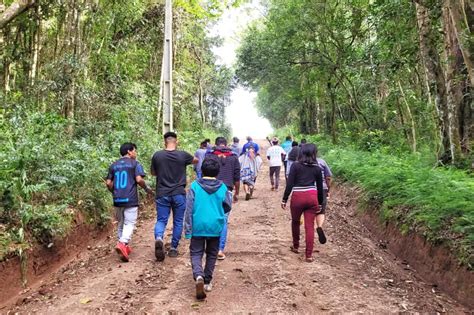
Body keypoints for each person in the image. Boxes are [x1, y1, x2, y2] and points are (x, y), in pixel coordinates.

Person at [184, 157, 233, 301]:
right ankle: (207, 282)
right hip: (215, 225)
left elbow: (189, 208)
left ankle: (198, 275)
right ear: (217, 172)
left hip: (198, 225)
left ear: (201, 170)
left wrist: (187, 230)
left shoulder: (194, 186)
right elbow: (227, 206)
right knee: (212, 253)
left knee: (196, 252)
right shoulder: (223, 187)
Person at [151, 132, 198, 261]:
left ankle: (159, 237)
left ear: (164, 142)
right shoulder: (182, 155)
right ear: (176, 141)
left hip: (162, 193)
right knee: (178, 221)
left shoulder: (157, 155)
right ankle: (173, 248)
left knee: (161, 220)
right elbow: (196, 160)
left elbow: (153, 173)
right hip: (178, 193)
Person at [106, 143, 154, 262]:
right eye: (134, 151)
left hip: (117, 198)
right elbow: (139, 179)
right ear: (129, 152)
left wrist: (114, 191)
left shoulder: (113, 165)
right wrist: (146, 188)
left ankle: (123, 246)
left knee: (121, 222)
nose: (135, 153)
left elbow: (108, 183)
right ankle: (123, 243)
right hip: (130, 198)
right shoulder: (135, 164)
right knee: (130, 223)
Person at [281, 143, 324, 262]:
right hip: (312, 197)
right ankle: (309, 255)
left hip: (298, 197)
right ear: (314, 154)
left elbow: (289, 184)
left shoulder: (295, 166)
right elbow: (320, 188)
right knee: (309, 226)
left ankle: (295, 246)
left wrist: (284, 199)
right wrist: (320, 203)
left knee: (295, 222)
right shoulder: (317, 168)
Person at [207, 137, 240, 260]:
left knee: (211, 217)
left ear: (216, 144)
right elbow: (237, 177)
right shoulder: (233, 157)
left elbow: (203, 172)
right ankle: (220, 250)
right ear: (226, 144)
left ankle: (210, 248)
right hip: (227, 190)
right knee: (224, 220)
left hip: (211, 190)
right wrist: (237, 193)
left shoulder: (210, 156)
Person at [316, 153, 333, 239]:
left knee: (309, 210)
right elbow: (328, 177)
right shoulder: (321, 162)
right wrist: (328, 189)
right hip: (322, 188)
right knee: (321, 211)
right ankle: (319, 226)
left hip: (308, 189)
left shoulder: (301, 162)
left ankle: (309, 227)